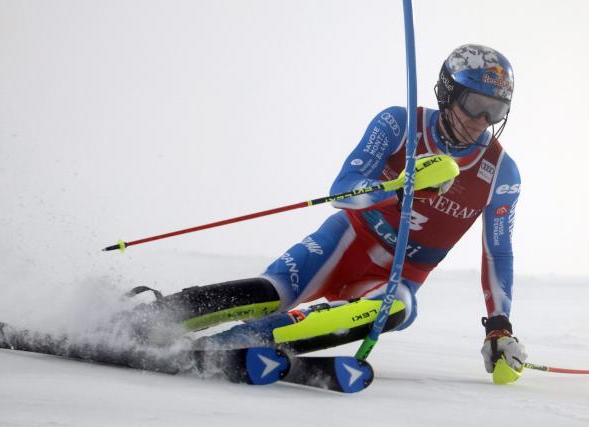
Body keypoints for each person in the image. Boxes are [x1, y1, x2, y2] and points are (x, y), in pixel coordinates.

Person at [127, 44, 527, 378]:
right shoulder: (399, 122)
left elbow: (498, 253)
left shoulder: (500, 173)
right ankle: (147, 321)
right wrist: (399, 190)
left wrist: (499, 326)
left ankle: (231, 345)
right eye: (475, 105)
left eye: (495, 110)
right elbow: (342, 191)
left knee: (398, 308)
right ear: (448, 92)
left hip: (400, 274)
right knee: (275, 292)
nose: (482, 121)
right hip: (346, 240)